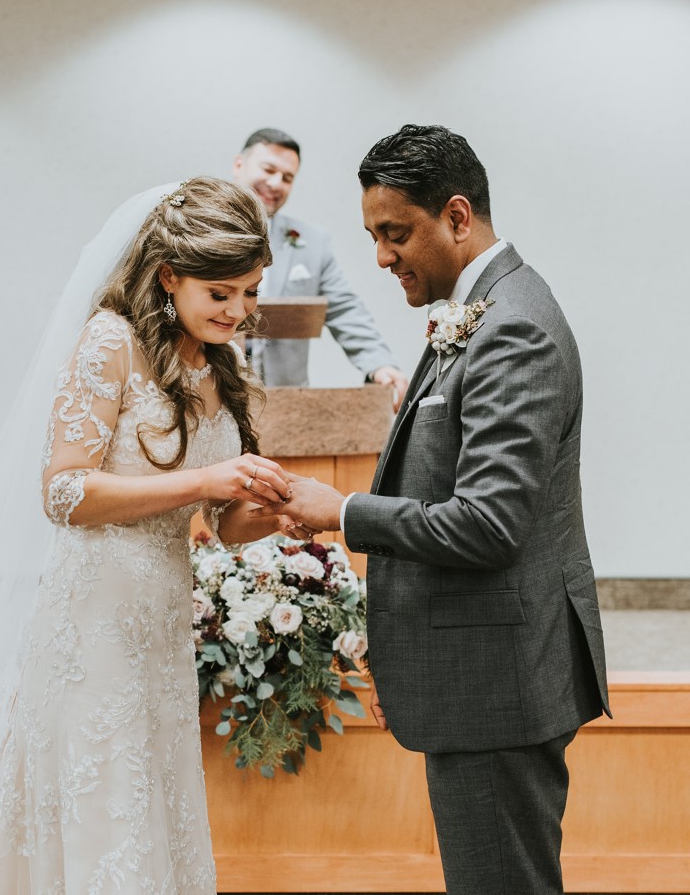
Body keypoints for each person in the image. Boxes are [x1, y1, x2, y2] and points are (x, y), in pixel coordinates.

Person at [0, 177, 318, 894]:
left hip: (159, 626)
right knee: (103, 809)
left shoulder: (221, 364)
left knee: (156, 807)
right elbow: (62, 490)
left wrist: (268, 513)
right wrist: (201, 486)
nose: (240, 311)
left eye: (249, 291)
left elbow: (221, 521)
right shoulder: (109, 341)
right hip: (90, 626)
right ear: (169, 274)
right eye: (222, 294)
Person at [253, 125, 610, 894]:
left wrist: (341, 509)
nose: (381, 257)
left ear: (456, 216)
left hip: (499, 682)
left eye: (395, 233)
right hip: (479, 668)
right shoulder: (476, 306)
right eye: (373, 235)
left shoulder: (511, 325)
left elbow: (488, 523)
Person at [231, 128, 408, 407]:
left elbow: (344, 309)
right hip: (214, 396)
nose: (276, 183)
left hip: (287, 405)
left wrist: (379, 365)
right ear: (239, 164)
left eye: (287, 178)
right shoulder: (200, 231)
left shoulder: (312, 243)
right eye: (268, 169)